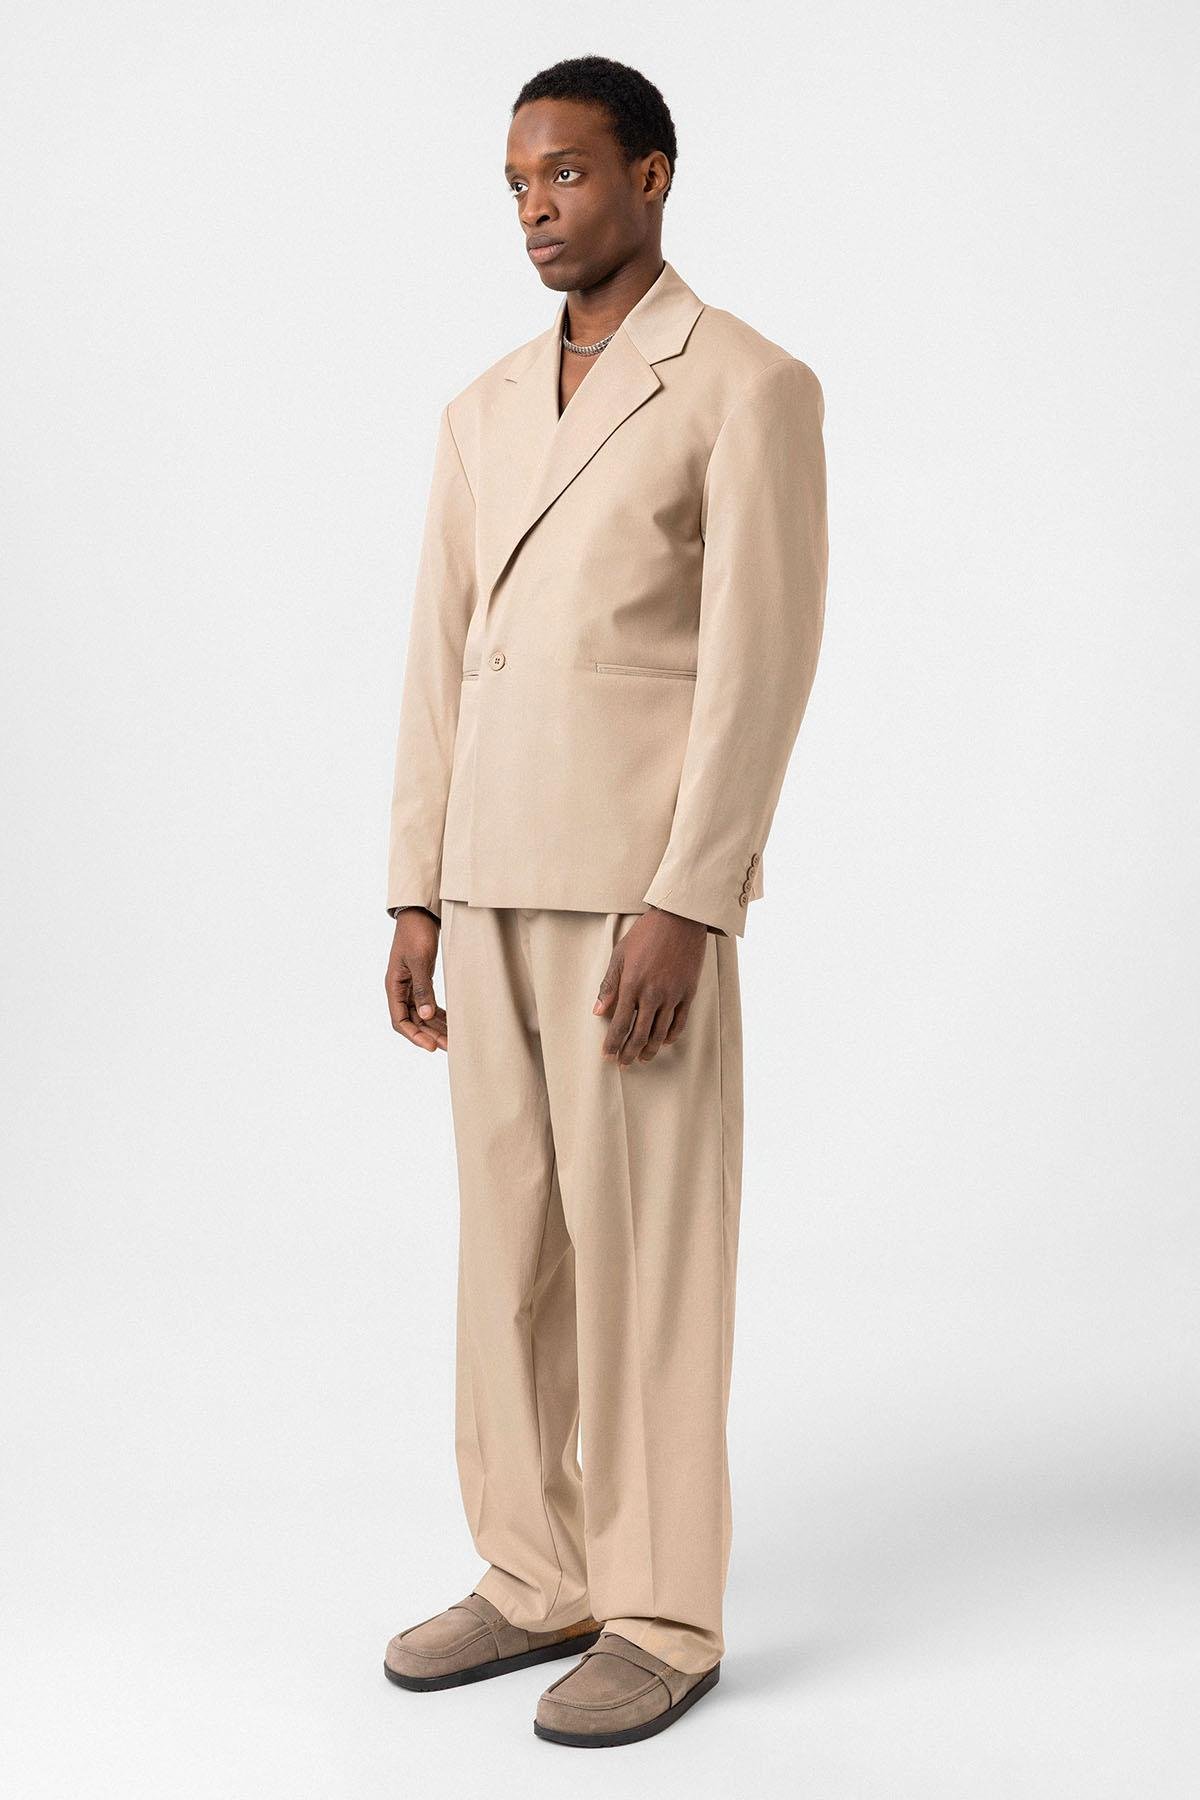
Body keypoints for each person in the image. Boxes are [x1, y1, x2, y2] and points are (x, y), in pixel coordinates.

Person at [381, 54, 828, 1749]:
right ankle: (535, 1569)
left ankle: (661, 1611)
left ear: (651, 174)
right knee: (507, 1248)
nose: (536, 210)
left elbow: (760, 666)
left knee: (643, 1259)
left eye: (566, 174)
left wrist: (691, 901)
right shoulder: (482, 408)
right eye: (516, 184)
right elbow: (442, 659)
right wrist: (413, 890)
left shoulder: (746, 386)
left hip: (633, 895)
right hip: (485, 880)